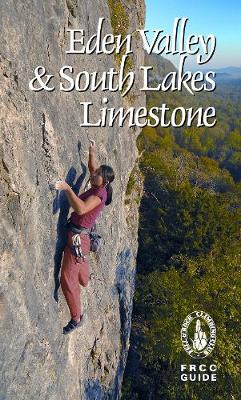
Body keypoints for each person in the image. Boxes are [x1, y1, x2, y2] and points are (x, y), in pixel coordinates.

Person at [55, 141, 115, 334]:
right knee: (80, 267)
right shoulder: (99, 183)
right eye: (95, 173)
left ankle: (76, 318)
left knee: (66, 278)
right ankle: (85, 279)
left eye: (97, 175)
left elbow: (80, 208)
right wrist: (92, 151)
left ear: (104, 181)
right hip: (82, 236)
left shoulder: (99, 195)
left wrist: (66, 188)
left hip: (78, 238)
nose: (93, 174)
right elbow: (92, 167)